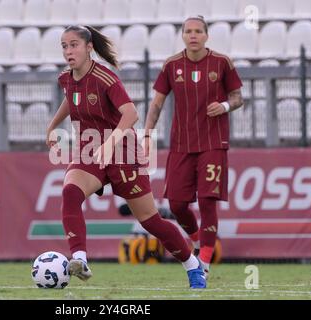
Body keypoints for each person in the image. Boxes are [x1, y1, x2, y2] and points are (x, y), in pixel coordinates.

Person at [46, 25, 206, 289]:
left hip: (122, 152)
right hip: (91, 152)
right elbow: (71, 99)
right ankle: (80, 259)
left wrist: (110, 143)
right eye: (64, 46)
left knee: (151, 221)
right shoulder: (66, 78)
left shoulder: (105, 78)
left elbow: (131, 114)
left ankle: (192, 265)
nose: (68, 51)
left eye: (74, 45)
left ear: (89, 48)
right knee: (70, 192)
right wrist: (52, 125)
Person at [144, 16, 244, 279]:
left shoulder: (222, 62)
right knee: (176, 204)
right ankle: (199, 240)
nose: (193, 35)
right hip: (181, 144)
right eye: (188, 31)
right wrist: (147, 133)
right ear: (182, 35)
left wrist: (223, 106)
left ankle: (205, 262)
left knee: (208, 200)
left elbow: (237, 98)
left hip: (213, 142)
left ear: (206, 35)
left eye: (198, 31)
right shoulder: (172, 65)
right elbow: (157, 103)